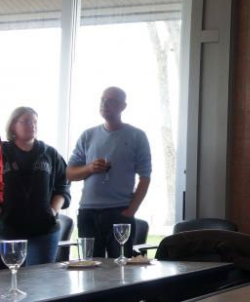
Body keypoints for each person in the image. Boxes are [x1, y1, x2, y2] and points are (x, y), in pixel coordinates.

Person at [67, 87, 151, 258]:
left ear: (123, 106)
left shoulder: (137, 136)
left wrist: (131, 211)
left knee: (121, 271)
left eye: (111, 101)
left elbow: (145, 177)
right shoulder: (87, 135)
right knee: (89, 270)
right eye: (102, 100)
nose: (105, 104)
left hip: (119, 212)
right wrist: (90, 168)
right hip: (88, 213)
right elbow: (69, 173)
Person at [0, 107, 71, 265]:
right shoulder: (3, 152)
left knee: (40, 282)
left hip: (44, 231)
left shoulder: (50, 153)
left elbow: (64, 184)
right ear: (13, 125)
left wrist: (53, 210)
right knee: (10, 280)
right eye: (26, 121)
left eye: (34, 122)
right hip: (9, 229)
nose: (32, 125)